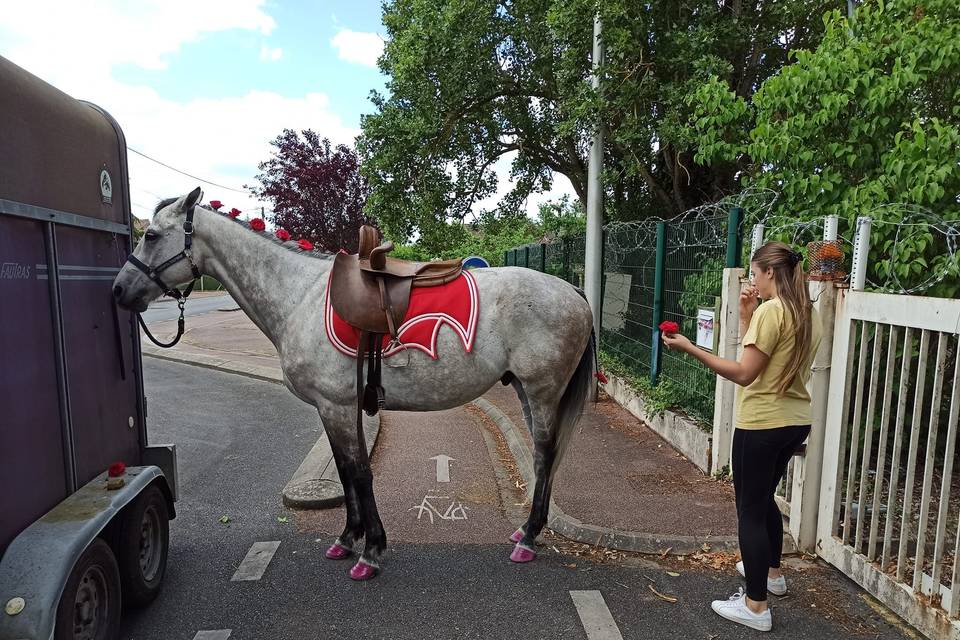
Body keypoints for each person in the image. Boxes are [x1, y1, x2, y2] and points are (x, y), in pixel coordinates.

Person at [661, 241, 822, 632]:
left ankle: (755, 606)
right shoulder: (807, 313)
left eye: (755, 274)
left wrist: (690, 348)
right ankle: (772, 575)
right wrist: (748, 316)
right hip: (795, 420)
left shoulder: (774, 310)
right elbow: (768, 360)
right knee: (764, 498)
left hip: (762, 423)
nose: (752, 281)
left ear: (770, 272)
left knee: (749, 511)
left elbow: (746, 373)